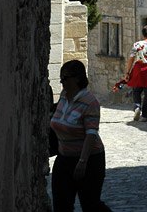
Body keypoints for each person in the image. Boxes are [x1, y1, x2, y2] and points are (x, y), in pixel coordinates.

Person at [50, 60, 111, 212]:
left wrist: (82, 162)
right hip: (64, 158)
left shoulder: (90, 102)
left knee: (90, 205)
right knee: (61, 205)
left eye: (65, 78)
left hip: (89, 160)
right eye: (61, 78)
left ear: (77, 78)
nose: (62, 81)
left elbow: (91, 134)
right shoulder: (64, 97)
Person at [124, 25, 147, 122]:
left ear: (142, 34)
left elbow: (131, 59)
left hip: (138, 69)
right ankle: (145, 115)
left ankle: (137, 106)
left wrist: (128, 72)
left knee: (136, 90)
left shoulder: (137, 45)